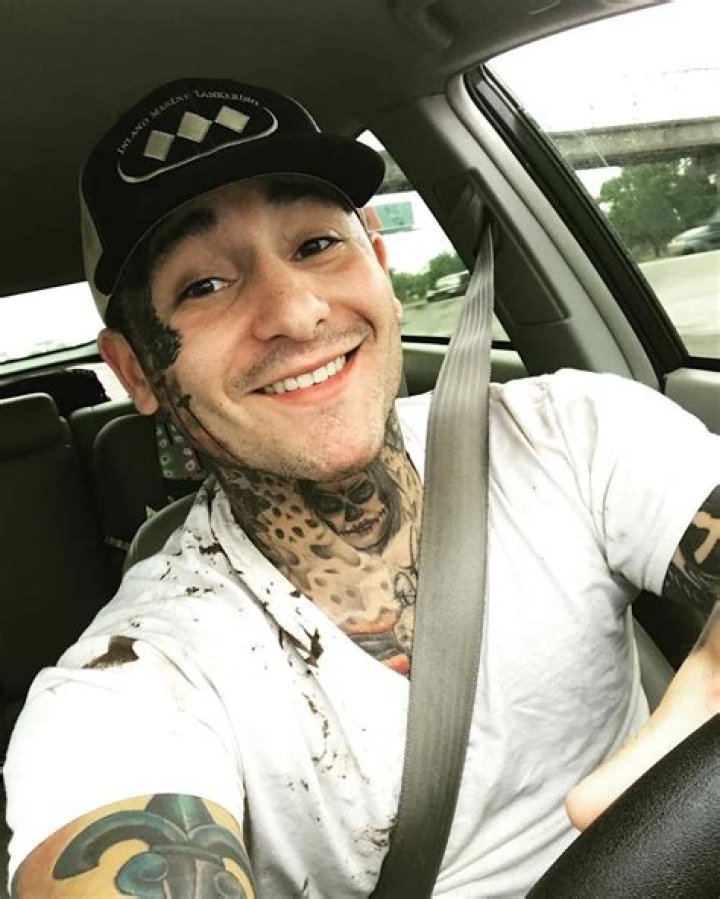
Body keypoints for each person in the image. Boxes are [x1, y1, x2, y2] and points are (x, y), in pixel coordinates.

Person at [4, 76, 719, 898]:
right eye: (204, 285)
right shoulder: (136, 679)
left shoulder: (572, 434)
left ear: (377, 260)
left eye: (315, 244)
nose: (297, 311)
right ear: (136, 370)